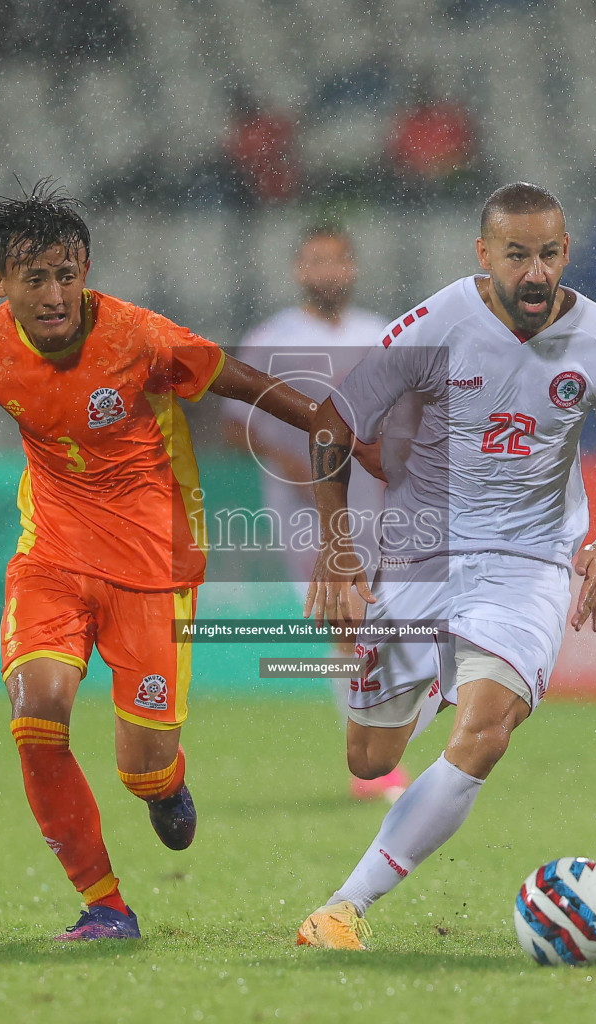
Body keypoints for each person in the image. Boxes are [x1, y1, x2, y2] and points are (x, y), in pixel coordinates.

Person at [0, 180, 358, 942]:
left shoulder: (139, 336)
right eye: (35, 279)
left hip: (153, 565)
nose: (55, 294)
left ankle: (165, 785)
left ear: (85, 267)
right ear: (0, 285)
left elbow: (242, 382)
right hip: (51, 556)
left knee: (144, 767)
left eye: (67, 273)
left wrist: (325, 418)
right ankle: (105, 905)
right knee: (37, 714)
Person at [295, 182, 596, 949]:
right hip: (423, 555)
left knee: (488, 728)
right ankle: (435, 679)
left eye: (549, 254)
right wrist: (337, 547)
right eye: (517, 254)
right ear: (483, 253)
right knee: (369, 758)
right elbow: (333, 421)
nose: (535, 272)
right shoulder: (436, 324)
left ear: (567, 253)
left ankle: (342, 908)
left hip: (528, 563)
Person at [221, 223, 412, 803]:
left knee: (392, 620)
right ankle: (372, 762)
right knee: (343, 621)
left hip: (377, 502)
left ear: (351, 268)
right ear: (299, 271)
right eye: (314, 261)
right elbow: (235, 424)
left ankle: (382, 745)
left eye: (335, 261)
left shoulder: (382, 334)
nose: (326, 272)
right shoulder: (270, 338)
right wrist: (290, 463)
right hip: (302, 505)